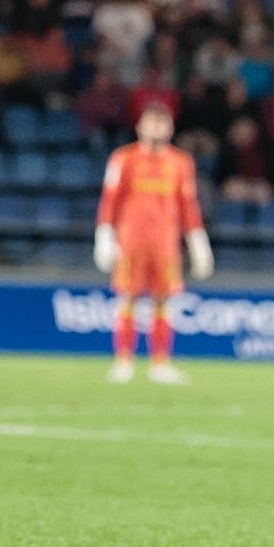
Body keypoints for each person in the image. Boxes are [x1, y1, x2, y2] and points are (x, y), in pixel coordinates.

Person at [93, 105, 215, 384]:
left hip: (165, 243)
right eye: (152, 123)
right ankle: (123, 362)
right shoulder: (123, 159)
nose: (157, 129)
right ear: (140, 127)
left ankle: (160, 364)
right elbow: (110, 199)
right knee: (128, 297)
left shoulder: (181, 163)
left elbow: (188, 205)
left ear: (170, 128)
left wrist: (198, 241)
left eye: (163, 123)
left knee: (164, 300)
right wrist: (104, 235)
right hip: (131, 241)